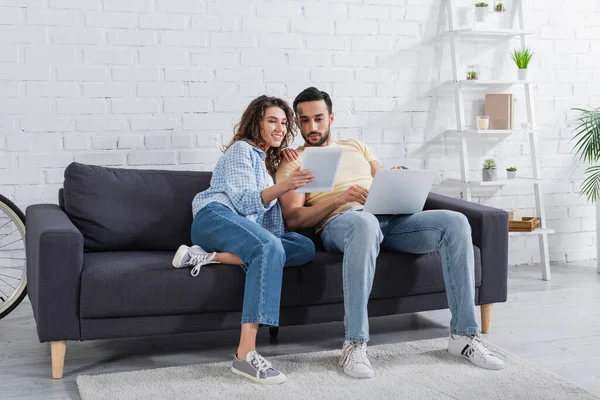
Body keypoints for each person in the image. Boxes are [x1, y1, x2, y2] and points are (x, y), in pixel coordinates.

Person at [275, 87, 505, 379]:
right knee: (365, 223)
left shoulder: (356, 146)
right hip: (343, 223)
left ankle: (463, 337)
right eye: (304, 120)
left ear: (331, 117)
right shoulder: (294, 159)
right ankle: (355, 343)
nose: (312, 127)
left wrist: (398, 175)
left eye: (318, 118)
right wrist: (339, 198)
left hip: (388, 218)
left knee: (456, 221)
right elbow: (294, 219)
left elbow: (381, 178)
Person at [172, 95, 316, 385]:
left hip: (239, 234)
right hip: (216, 217)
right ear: (256, 123)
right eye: (271, 121)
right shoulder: (242, 150)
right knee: (268, 247)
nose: (279, 127)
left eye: (284, 122)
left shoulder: (265, 162)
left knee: (304, 246)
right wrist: (284, 185)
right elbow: (243, 200)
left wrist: (282, 163)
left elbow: (270, 227)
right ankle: (244, 355)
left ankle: (209, 257)